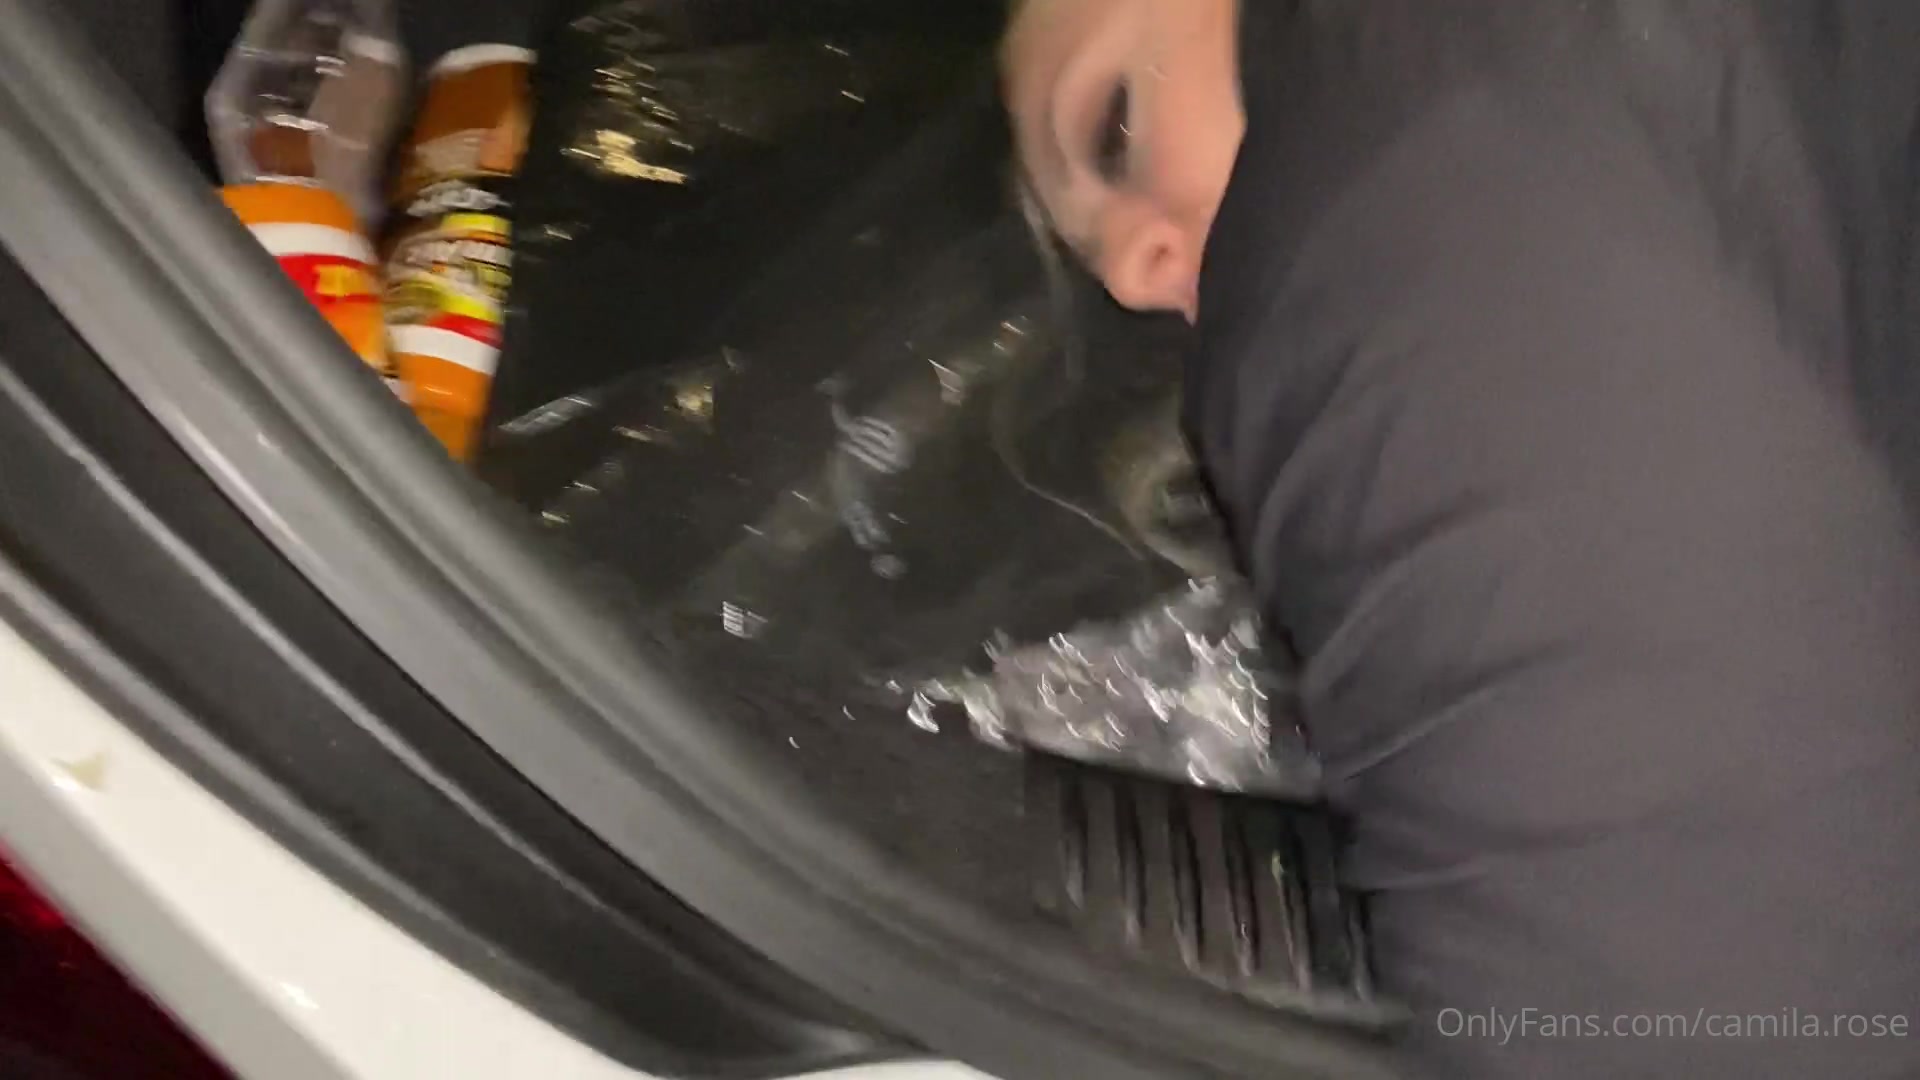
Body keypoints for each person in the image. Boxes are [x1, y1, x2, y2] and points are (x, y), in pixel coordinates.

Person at [1005, 1, 1920, 1076]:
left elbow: (1703, 1023)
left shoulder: (1394, 211)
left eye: (1114, 128)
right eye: (1096, 259)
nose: (1128, 273)